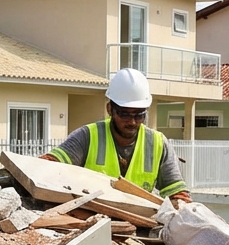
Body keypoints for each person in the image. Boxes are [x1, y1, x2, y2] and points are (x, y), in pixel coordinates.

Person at [41, 68, 191, 204]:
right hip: (92, 221)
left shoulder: (157, 143)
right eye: (124, 114)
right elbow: (47, 165)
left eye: (139, 115)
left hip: (139, 225)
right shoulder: (88, 136)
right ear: (110, 109)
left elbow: (177, 194)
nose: (132, 122)